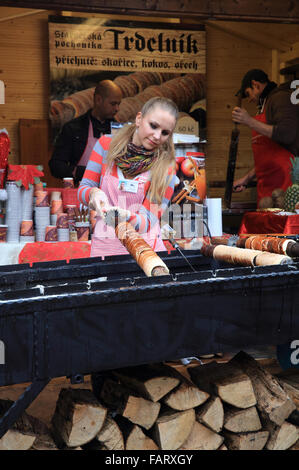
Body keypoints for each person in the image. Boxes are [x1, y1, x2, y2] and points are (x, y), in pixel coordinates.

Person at [78, 97, 179, 257]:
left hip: (146, 254)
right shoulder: (105, 146)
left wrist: (125, 216)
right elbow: (83, 189)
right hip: (104, 251)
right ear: (139, 119)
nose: (157, 136)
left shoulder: (166, 169)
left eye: (165, 132)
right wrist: (93, 193)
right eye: (153, 126)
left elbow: (148, 221)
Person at [231, 69, 299, 205]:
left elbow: (287, 134)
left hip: (285, 183)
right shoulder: (264, 105)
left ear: (255, 85)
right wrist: (247, 178)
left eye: (248, 94)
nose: (249, 99)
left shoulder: (280, 98)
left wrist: (249, 121)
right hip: (267, 184)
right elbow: (268, 154)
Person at [49, 80, 122, 185]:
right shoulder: (73, 128)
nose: (117, 109)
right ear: (98, 100)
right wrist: (77, 172)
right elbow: (56, 165)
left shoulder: (119, 130)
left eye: (119, 104)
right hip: (79, 190)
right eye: (113, 104)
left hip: (110, 191)